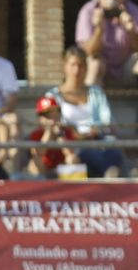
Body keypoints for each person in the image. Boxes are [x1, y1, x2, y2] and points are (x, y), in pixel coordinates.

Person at [43, 45, 121, 177]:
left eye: (81, 65)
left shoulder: (96, 93)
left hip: (97, 141)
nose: (77, 70)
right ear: (65, 66)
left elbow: (107, 120)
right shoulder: (52, 96)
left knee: (114, 151)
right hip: (68, 146)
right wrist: (73, 133)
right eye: (73, 65)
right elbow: (50, 124)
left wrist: (97, 129)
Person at [22, 93, 81, 178]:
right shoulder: (36, 134)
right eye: (48, 115)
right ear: (40, 118)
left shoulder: (66, 131)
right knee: (34, 163)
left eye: (55, 114)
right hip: (44, 171)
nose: (53, 119)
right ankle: (40, 187)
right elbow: (39, 153)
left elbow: (69, 152)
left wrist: (59, 134)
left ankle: (74, 189)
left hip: (62, 171)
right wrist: (48, 132)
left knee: (72, 158)